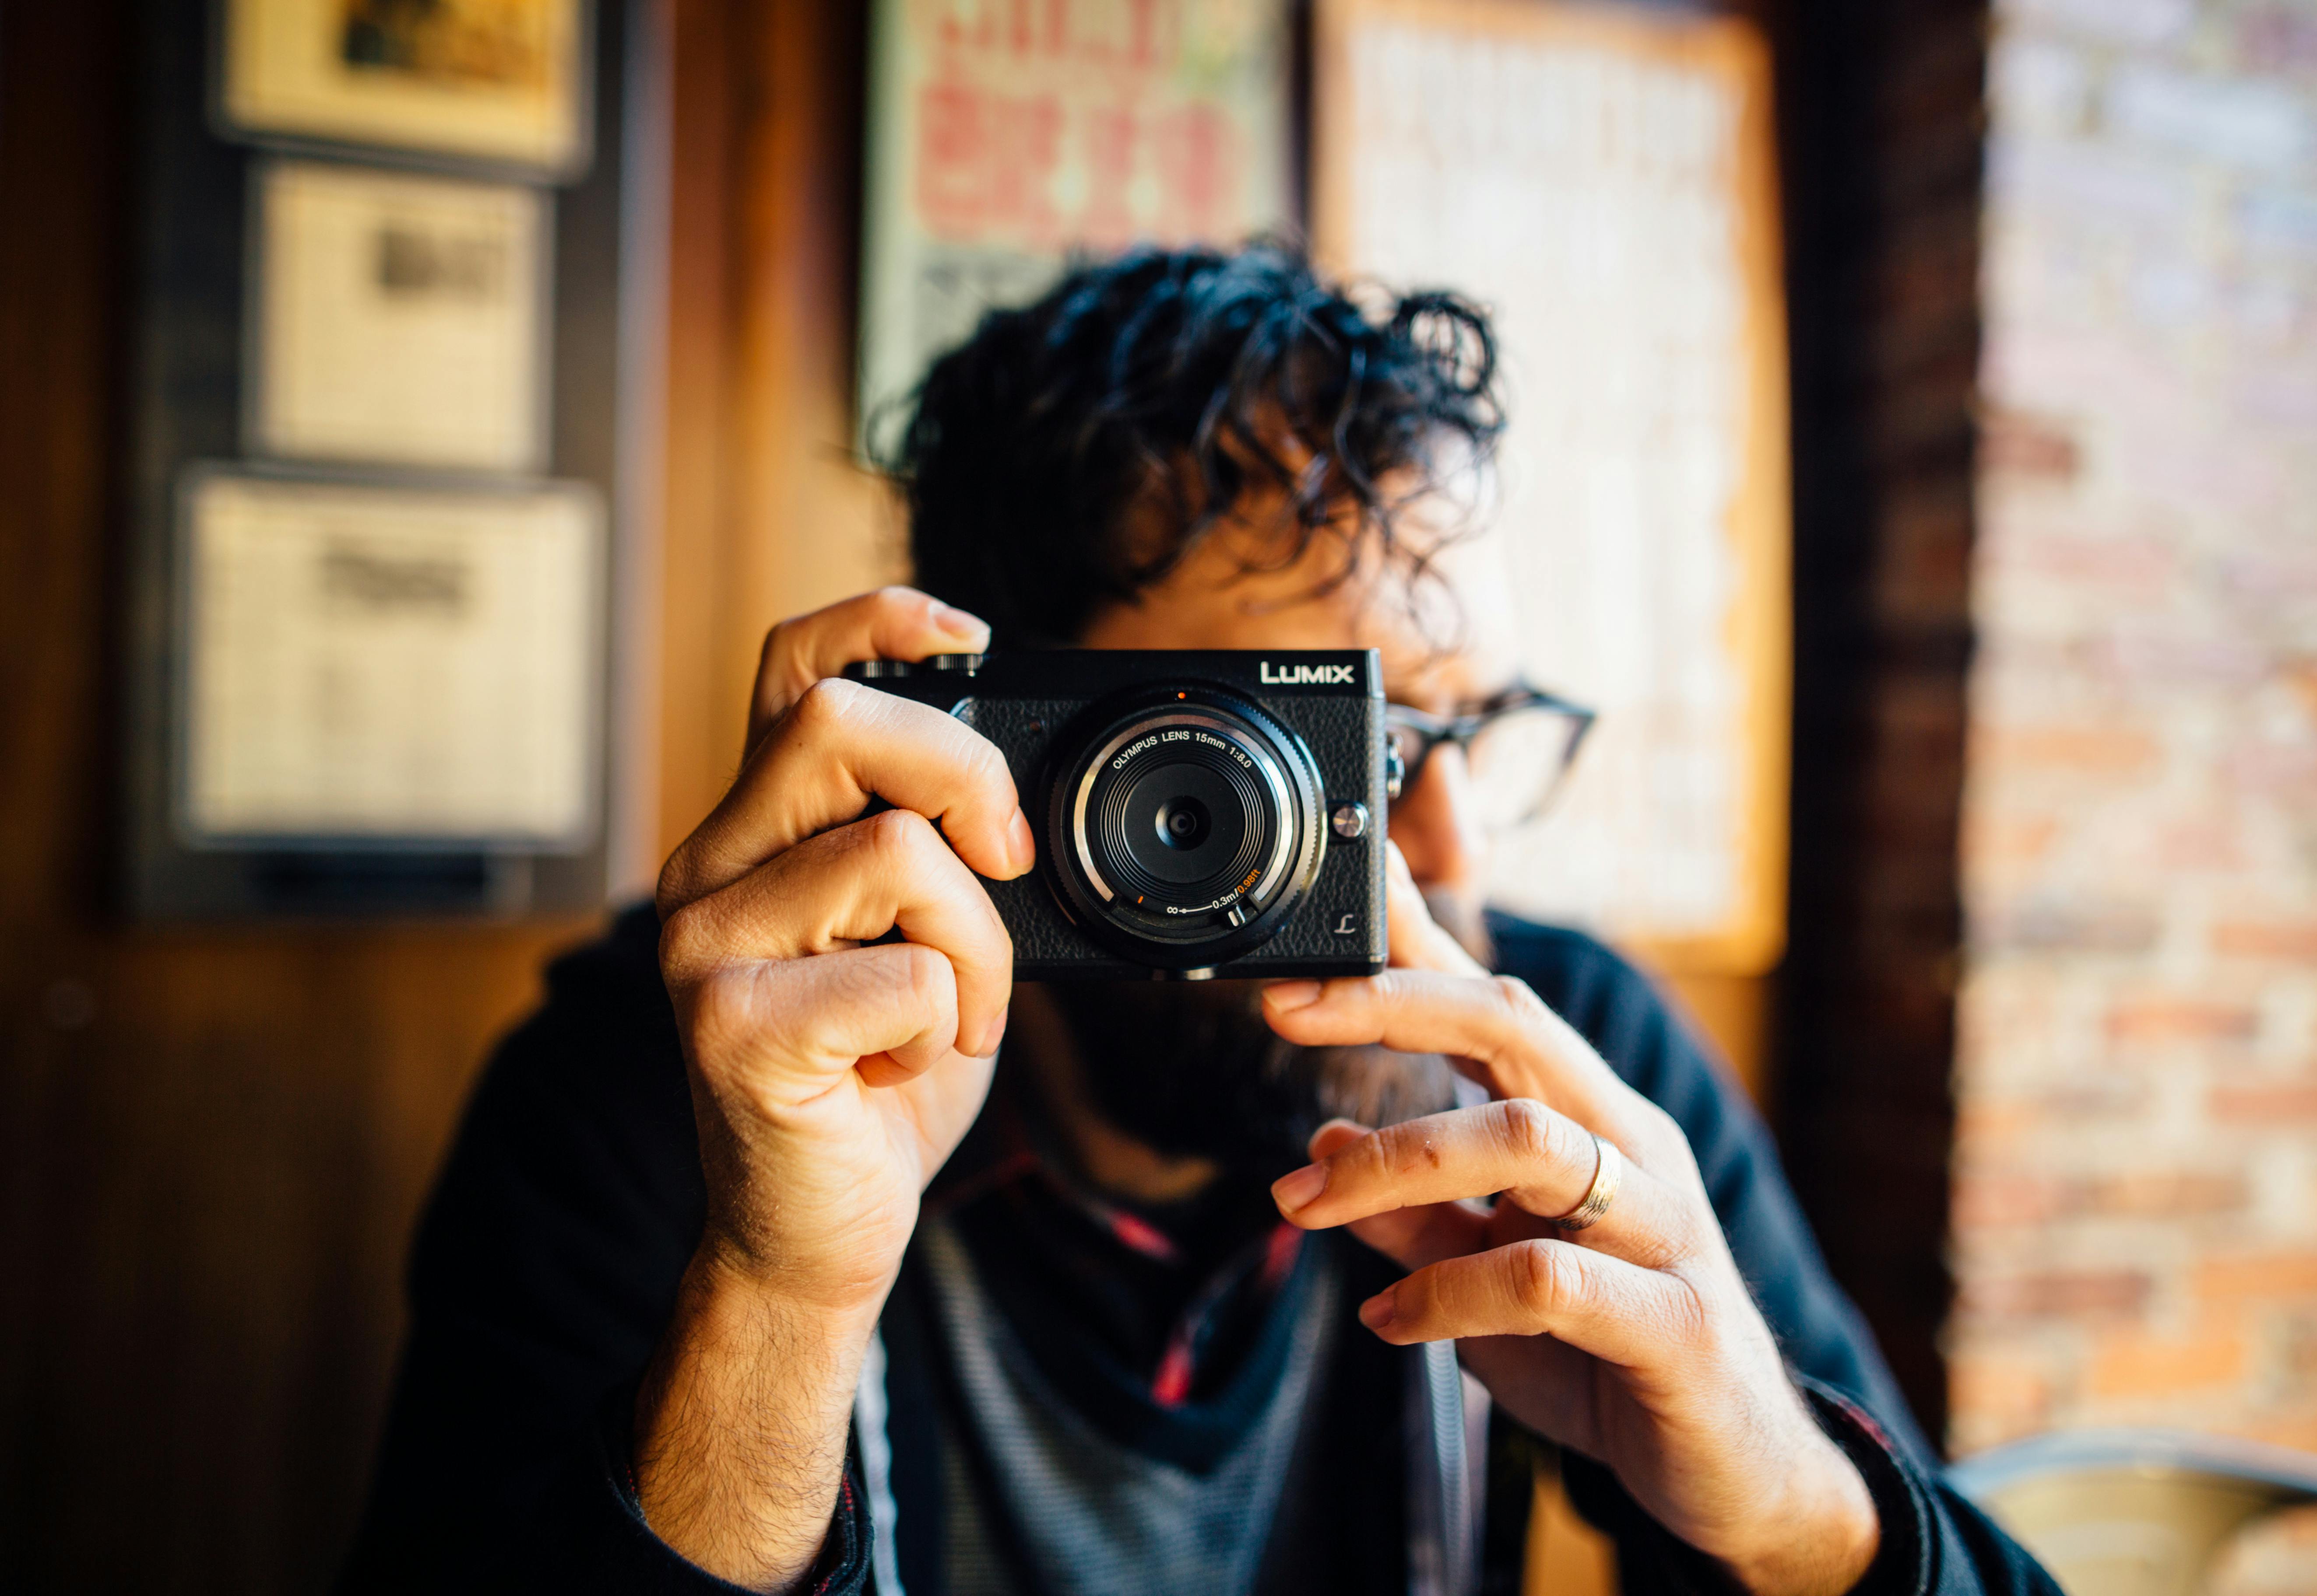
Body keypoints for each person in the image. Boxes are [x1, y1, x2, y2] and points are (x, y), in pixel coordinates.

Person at [339, 246, 2053, 1596]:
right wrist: (777, 1298)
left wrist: (1790, 1512)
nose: (1429, 855)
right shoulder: (683, 1087)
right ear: (996, 731)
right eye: (1317, 755)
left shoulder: (1556, 1061)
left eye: (1468, 734)